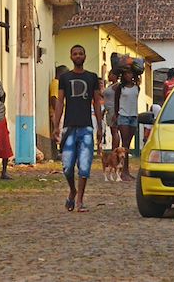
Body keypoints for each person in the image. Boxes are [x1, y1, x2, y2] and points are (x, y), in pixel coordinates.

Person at [53, 45, 103, 213]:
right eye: (75, 53)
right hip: (69, 127)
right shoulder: (65, 78)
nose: (78, 56)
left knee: (84, 165)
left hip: (86, 127)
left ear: (85, 56)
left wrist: (100, 127)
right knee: (67, 167)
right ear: (71, 56)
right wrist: (56, 125)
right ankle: (72, 190)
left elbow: (96, 102)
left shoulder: (92, 77)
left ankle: (80, 199)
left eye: (81, 53)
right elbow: (60, 102)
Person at [114, 69, 140, 181]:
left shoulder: (137, 87)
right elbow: (116, 102)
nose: (129, 75)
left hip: (133, 116)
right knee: (124, 144)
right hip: (123, 116)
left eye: (130, 73)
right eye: (127, 74)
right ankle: (123, 171)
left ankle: (126, 170)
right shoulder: (120, 88)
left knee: (128, 145)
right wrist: (116, 115)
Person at [48, 65, 69, 159]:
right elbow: (54, 98)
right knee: (59, 132)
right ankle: (61, 153)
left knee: (61, 132)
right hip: (57, 112)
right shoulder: (56, 83)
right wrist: (58, 113)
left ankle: (61, 152)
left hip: (59, 112)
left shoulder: (58, 83)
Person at [101, 70, 120, 150]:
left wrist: (116, 113)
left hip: (113, 109)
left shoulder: (117, 86)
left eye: (110, 75)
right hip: (108, 110)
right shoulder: (110, 86)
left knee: (114, 130)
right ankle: (114, 149)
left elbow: (118, 99)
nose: (109, 76)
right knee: (112, 131)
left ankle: (115, 149)